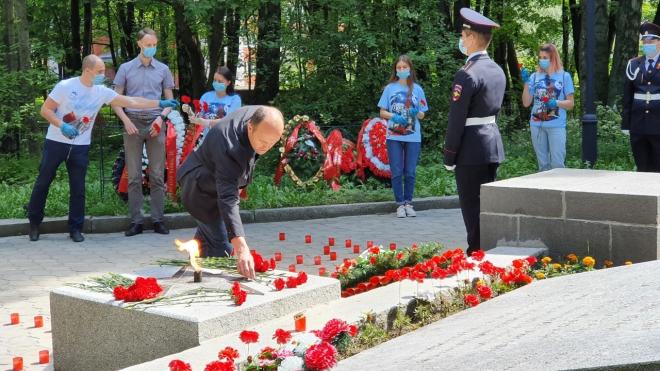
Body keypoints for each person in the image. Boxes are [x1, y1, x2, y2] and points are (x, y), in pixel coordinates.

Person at [27, 54, 179, 242]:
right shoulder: (65, 86)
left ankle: (75, 228)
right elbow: (45, 110)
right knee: (43, 181)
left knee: (78, 188)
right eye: (99, 71)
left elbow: (130, 101)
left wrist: (159, 103)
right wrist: (61, 125)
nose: (103, 75)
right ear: (87, 70)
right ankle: (34, 224)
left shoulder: (101, 91)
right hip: (56, 142)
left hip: (80, 146)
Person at [177, 106, 284, 279]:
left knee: (209, 240)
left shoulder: (260, 115)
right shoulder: (230, 147)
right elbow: (227, 199)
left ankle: (195, 266)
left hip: (215, 181)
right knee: (223, 250)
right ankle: (209, 291)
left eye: (272, 143)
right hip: (200, 188)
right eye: (263, 142)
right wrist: (242, 249)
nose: (266, 148)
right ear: (250, 127)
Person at [443, 8, 505, 256]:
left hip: (470, 150)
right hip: (491, 145)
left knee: (472, 207)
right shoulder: (497, 70)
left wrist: (449, 155)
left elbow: (456, 120)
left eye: (463, 34)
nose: (461, 40)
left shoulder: (466, 74)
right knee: (487, 206)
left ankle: (476, 255)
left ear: (470, 37)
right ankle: (488, 250)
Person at [112, 28, 176, 237]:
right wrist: (126, 121)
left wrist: (161, 117)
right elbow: (115, 100)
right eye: (148, 45)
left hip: (156, 123)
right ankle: (136, 221)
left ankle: (158, 220)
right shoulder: (125, 68)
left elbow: (169, 100)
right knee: (134, 176)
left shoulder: (163, 69)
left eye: (154, 45)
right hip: (133, 123)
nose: (152, 48)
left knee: (158, 175)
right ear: (139, 44)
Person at [377, 55, 429, 218]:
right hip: (393, 136)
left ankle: (409, 203)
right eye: (398, 68)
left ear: (410, 69)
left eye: (404, 67)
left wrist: (417, 112)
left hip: (413, 136)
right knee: (397, 171)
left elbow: (422, 115)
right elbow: (382, 112)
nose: (401, 70)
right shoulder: (389, 89)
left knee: (410, 171)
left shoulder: (418, 89)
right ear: (395, 70)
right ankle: (400, 204)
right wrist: (393, 116)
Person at [522, 43, 575, 171]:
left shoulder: (564, 76)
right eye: (540, 57)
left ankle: (559, 190)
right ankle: (545, 191)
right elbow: (526, 103)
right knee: (543, 166)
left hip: (556, 125)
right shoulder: (534, 76)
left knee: (557, 164)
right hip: (536, 124)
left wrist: (556, 103)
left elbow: (571, 104)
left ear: (553, 58)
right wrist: (526, 83)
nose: (542, 60)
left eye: (545, 57)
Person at [622, 22, 660, 172]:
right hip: (638, 124)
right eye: (644, 42)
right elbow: (627, 96)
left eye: (651, 41)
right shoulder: (634, 64)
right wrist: (626, 123)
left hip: (658, 124)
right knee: (642, 167)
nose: (647, 44)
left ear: (659, 42)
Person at [196, 66, 242, 141]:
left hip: (225, 142)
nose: (216, 83)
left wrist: (207, 122)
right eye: (214, 80)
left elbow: (228, 121)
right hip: (206, 141)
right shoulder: (206, 96)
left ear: (228, 82)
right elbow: (198, 115)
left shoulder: (235, 99)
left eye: (220, 81)